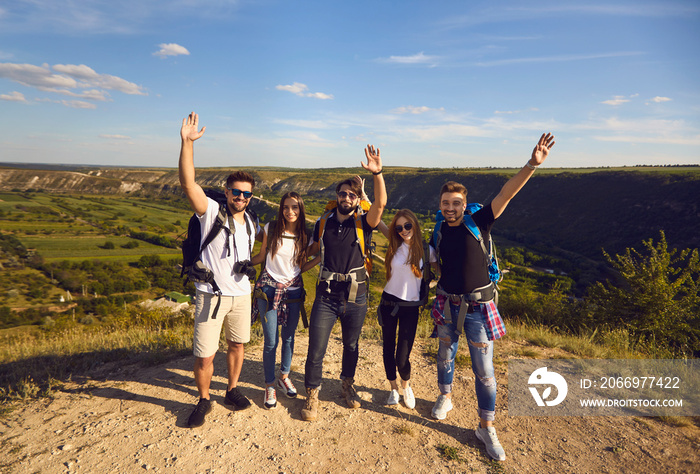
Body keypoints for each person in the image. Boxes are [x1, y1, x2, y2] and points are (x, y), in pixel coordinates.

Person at [430, 133, 555, 461]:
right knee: (445, 357)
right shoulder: (439, 230)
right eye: (446, 203)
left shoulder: (479, 222)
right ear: (440, 205)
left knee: (485, 372)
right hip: (447, 303)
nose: (451, 208)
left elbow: (506, 193)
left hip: (478, 308)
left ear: (463, 204)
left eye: (456, 203)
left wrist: (531, 165)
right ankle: (445, 397)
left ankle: (486, 426)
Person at [178, 112, 262, 428]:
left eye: (246, 194)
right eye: (236, 192)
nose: (240, 197)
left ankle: (231, 389)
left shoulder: (251, 222)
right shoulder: (211, 212)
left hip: (242, 295)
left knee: (238, 345)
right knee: (205, 355)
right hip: (211, 296)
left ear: (250, 197)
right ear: (226, 192)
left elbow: (255, 254)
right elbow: (188, 183)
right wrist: (187, 143)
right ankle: (203, 399)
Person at [300, 145, 387, 422]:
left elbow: (381, 205)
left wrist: (377, 174)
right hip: (326, 295)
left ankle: (347, 385)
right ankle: (312, 393)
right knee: (316, 347)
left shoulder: (363, 222)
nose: (346, 197)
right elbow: (313, 250)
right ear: (336, 197)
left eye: (351, 194)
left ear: (357, 198)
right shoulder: (323, 222)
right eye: (342, 193)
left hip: (355, 296)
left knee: (351, 345)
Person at [250, 191, 310, 410]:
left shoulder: (305, 234)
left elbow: (301, 265)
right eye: (286, 207)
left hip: (293, 292)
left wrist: (322, 257)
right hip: (268, 290)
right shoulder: (271, 228)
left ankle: (284, 376)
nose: (290, 211)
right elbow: (262, 256)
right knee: (271, 341)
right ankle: (269, 385)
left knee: (289, 337)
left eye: (294, 207)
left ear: (300, 209)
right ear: (281, 209)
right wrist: (244, 264)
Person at [378, 209, 437, 409]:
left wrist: (428, 286)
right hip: (388, 304)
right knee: (387, 347)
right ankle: (393, 388)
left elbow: (440, 273)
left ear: (415, 225)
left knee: (402, 355)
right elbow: (376, 217)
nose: (404, 230)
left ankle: (406, 386)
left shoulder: (427, 250)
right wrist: (365, 195)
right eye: (399, 227)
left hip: (410, 307)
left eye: (408, 226)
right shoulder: (395, 244)